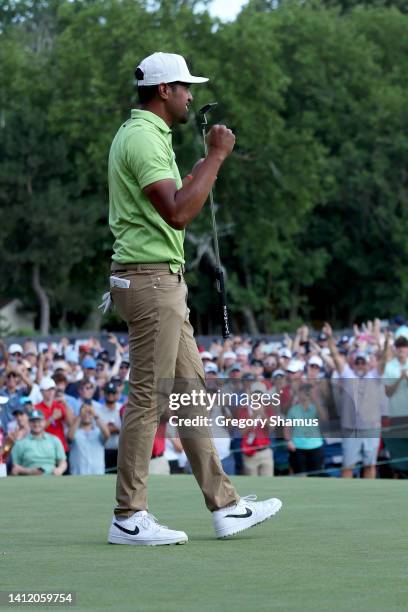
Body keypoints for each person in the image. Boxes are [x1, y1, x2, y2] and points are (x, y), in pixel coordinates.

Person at [106, 51, 282, 546]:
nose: (190, 95)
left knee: (186, 396)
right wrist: (217, 156)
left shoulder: (147, 135)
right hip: (151, 282)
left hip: (158, 281)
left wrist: (205, 165)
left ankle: (226, 506)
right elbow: (180, 214)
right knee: (150, 397)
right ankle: (128, 515)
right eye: (184, 87)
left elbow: (174, 201)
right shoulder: (143, 137)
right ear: (164, 91)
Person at [323, 323, 388, 478]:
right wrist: (329, 338)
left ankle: (368, 496)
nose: (360, 365)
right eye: (357, 362)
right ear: (354, 363)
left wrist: (385, 345)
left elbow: (384, 361)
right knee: (348, 466)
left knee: (370, 465)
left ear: (367, 364)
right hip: (351, 430)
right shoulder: (348, 375)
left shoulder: (374, 376)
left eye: (362, 362)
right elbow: (335, 356)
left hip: (371, 429)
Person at [11, 409, 67, 476]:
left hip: (52, 476)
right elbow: (15, 468)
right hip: (29, 479)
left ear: (44, 422)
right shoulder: (20, 443)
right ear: (29, 423)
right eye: (33, 421)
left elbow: (62, 461)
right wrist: (29, 471)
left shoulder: (54, 440)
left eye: (39, 421)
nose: (36, 424)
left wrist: (59, 470)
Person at [68, 402, 110, 475]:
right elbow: (69, 437)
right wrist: (80, 416)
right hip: (78, 474)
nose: (87, 415)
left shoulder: (98, 431)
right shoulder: (75, 431)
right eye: (85, 412)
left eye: (89, 412)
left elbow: (107, 434)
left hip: (97, 474)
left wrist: (95, 415)